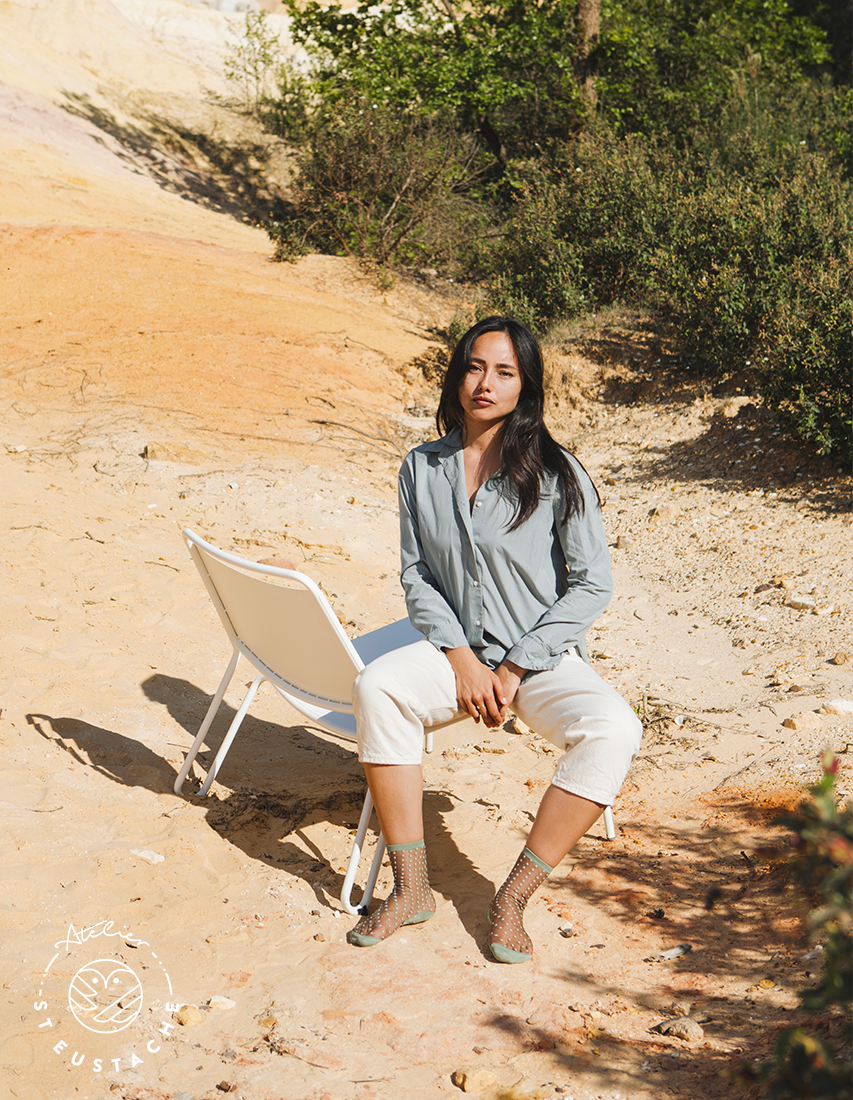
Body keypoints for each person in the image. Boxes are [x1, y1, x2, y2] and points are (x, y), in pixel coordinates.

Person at [348, 316, 642, 962]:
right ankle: (411, 888)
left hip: (536, 660)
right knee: (378, 687)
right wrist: (459, 658)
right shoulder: (420, 468)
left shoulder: (558, 474)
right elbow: (417, 573)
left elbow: (591, 586)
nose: (485, 383)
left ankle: (511, 898)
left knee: (614, 729)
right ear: (456, 375)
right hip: (456, 654)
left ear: (524, 386)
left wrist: (512, 667)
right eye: (475, 367)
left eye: (504, 372)